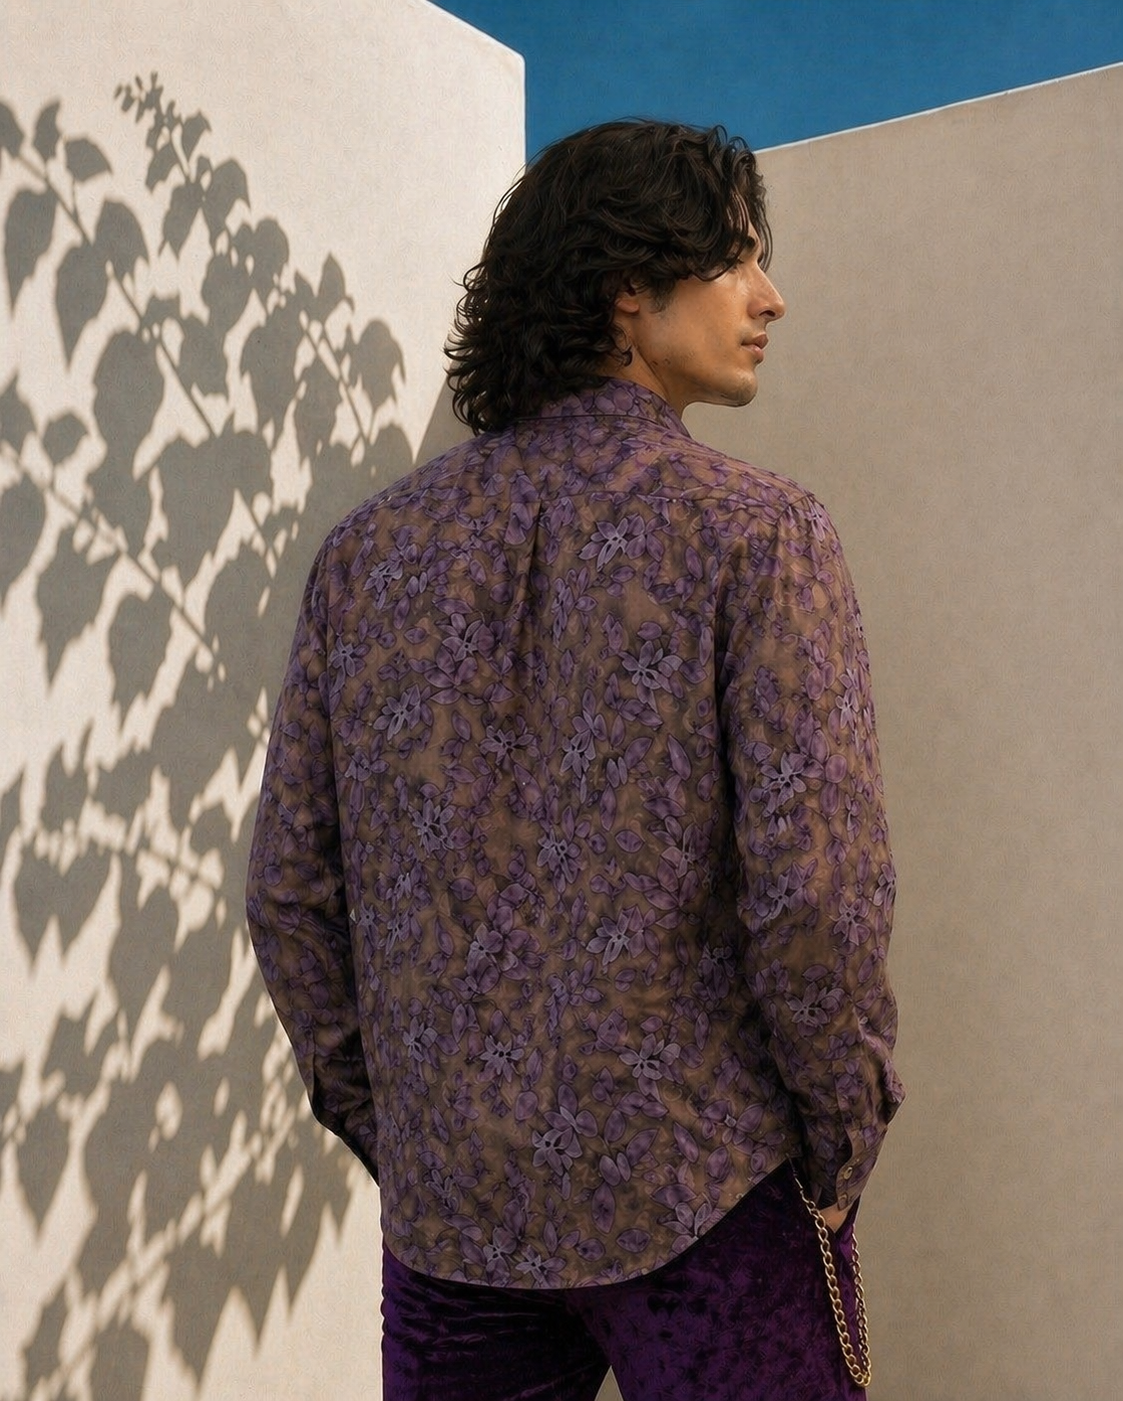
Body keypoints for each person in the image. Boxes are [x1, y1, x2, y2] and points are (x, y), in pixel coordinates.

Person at [246, 119, 903, 1400]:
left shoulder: (366, 556)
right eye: (735, 260)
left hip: (456, 1222)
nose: (769, 296)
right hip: (710, 1197)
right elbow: (815, 891)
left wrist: (406, 1131)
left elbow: (289, 894)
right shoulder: (758, 535)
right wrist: (838, 1129)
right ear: (626, 290)